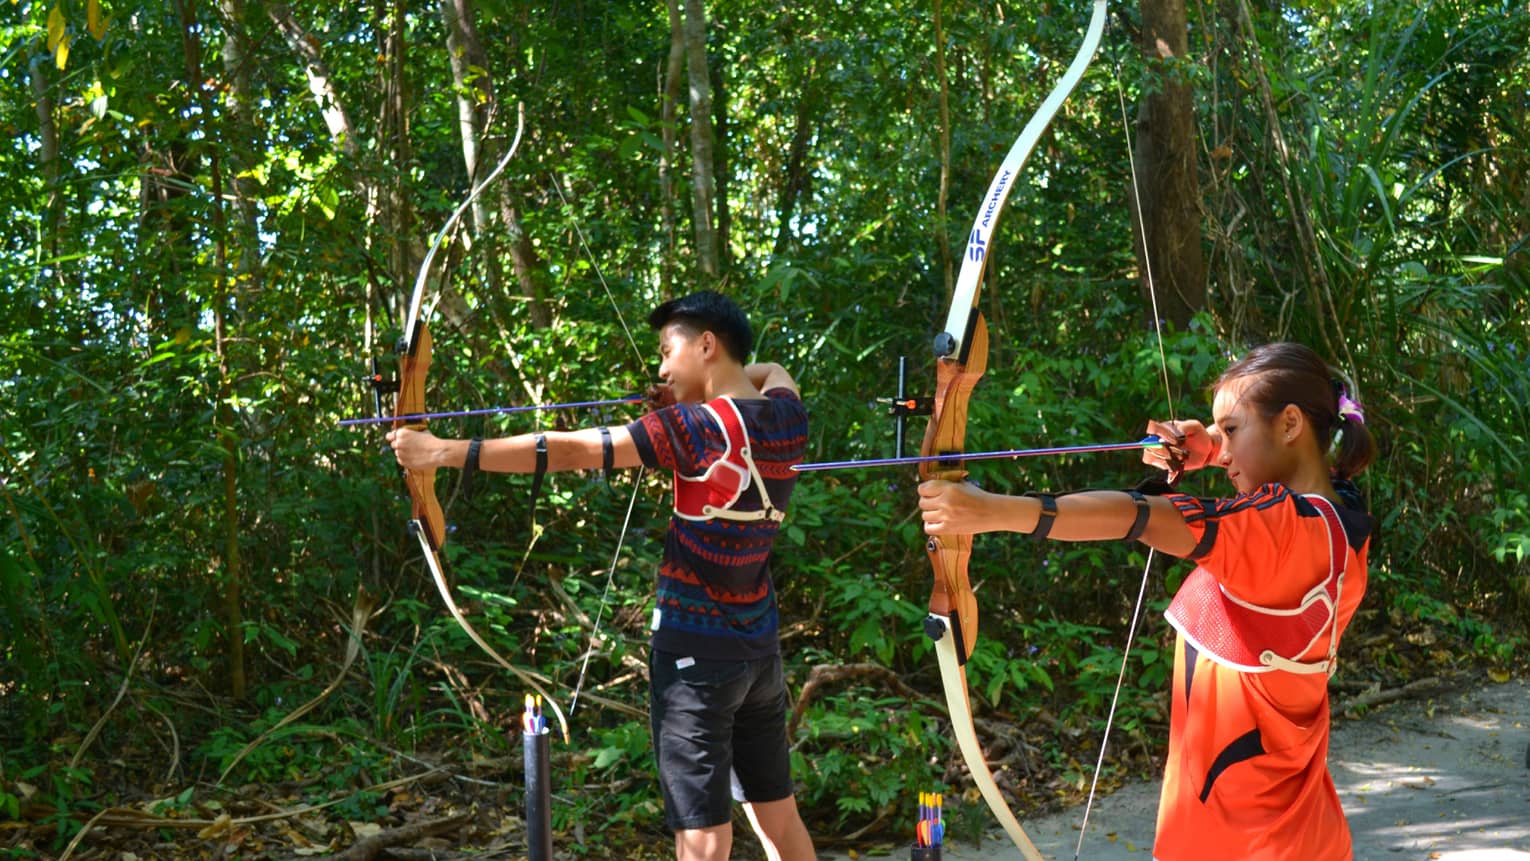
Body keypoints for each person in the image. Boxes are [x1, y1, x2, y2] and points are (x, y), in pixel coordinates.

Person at [388, 291, 816, 861]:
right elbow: (770, 372)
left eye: (669, 351)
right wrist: (696, 385)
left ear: (707, 344)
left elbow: (567, 451)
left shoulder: (691, 428)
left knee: (705, 837)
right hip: (760, 654)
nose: (661, 367)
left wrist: (442, 451)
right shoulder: (787, 415)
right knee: (779, 822)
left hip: (696, 660)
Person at [917, 342, 1377, 861]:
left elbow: (1141, 517)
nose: (1223, 453)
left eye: (1232, 430)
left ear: (1291, 423)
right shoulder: (1338, 514)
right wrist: (1209, 445)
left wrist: (992, 510)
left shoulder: (1281, 531)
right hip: (1293, 833)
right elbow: (1291, 479)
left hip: (1240, 841)